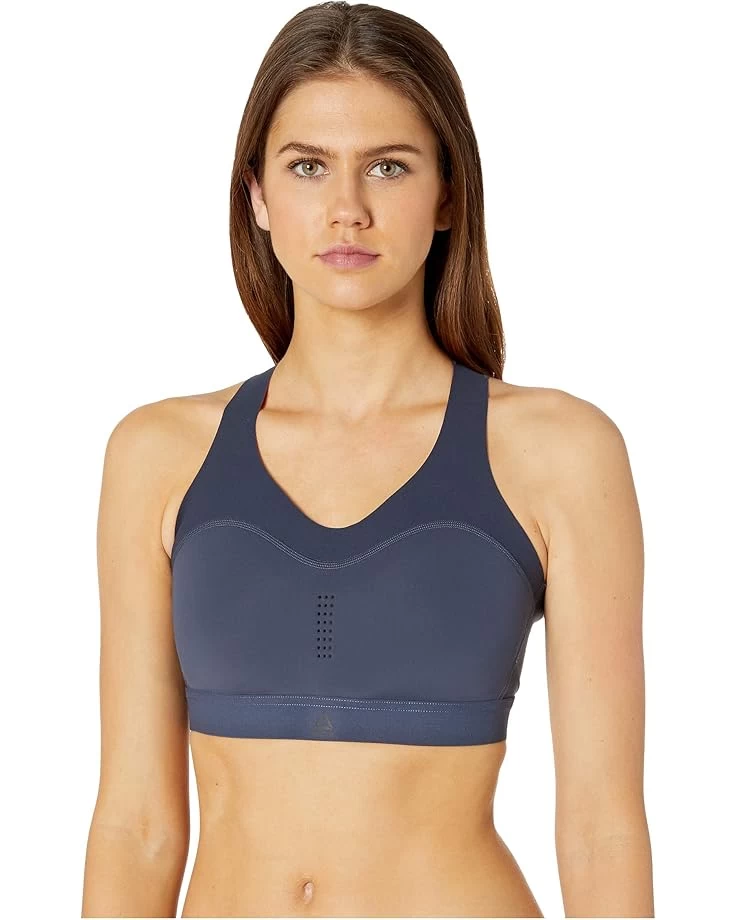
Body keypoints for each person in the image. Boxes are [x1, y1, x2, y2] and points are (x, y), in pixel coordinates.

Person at [82, 2, 654, 917]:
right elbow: (136, 825)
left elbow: (600, 829)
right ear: (257, 197)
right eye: (308, 167)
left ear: (448, 194)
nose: (347, 208)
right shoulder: (157, 455)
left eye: (388, 166)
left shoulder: (559, 453)